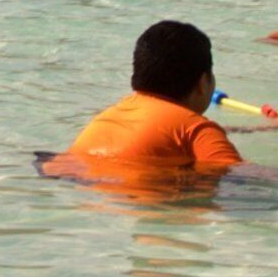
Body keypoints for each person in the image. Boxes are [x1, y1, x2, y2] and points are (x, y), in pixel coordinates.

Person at [41, 20, 244, 190]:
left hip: (67, 180)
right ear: (203, 83)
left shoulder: (116, 112)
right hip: (142, 196)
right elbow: (240, 175)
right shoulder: (196, 128)